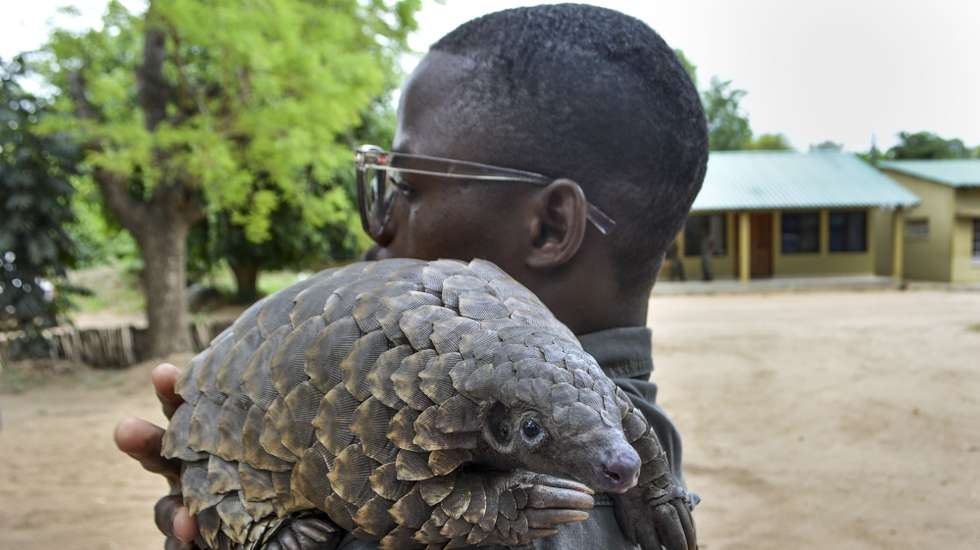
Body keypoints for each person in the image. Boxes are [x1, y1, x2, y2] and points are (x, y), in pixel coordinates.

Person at [114, 4, 708, 549]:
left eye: (408, 186)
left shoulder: (530, 507)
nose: (380, 227)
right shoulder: (643, 428)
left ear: (549, 226)